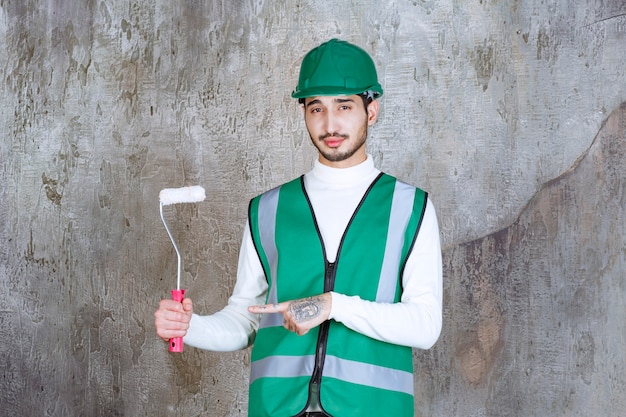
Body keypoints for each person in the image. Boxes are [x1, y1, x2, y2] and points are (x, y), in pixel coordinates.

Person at [155, 38, 443, 417]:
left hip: (374, 409)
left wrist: (332, 305)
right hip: (275, 409)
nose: (330, 124)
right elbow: (247, 319)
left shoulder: (411, 207)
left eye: (344, 106)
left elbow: (425, 325)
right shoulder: (268, 209)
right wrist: (189, 327)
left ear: (371, 110)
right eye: (316, 108)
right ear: (304, 113)